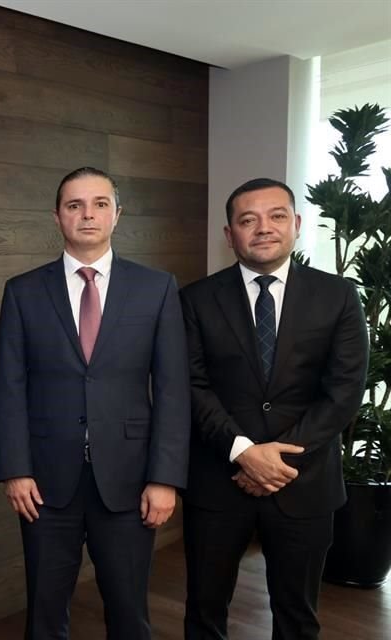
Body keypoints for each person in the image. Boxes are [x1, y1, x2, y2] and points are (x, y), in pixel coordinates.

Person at [0, 167, 191, 640]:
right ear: (57, 217)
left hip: (128, 480)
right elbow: (9, 386)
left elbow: (171, 388)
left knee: (128, 612)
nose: (87, 214)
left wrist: (164, 479)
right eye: (74, 205)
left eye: (100, 204)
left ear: (117, 215)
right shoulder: (23, 291)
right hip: (44, 484)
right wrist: (15, 469)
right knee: (44, 611)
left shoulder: (156, 287)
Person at [180, 177, 368, 640]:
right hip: (218, 482)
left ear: (297, 224)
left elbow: (344, 390)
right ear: (230, 234)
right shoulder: (195, 299)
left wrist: (275, 459)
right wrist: (243, 450)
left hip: (303, 481)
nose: (262, 228)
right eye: (248, 220)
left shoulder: (338, 295)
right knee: (204, 612)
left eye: (276, 216)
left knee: (297, 616)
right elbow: (190, 384)